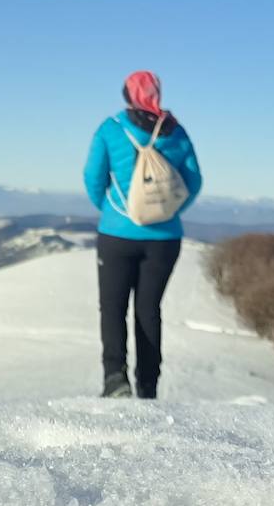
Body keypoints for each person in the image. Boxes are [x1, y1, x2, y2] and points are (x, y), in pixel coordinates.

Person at [83, 70, 203, 399]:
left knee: (113, 308)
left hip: (116, 233)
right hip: (165, 238)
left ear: (128, 94)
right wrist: (168, 212)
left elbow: (93, 179)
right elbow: (194, 182)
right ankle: (148, 386)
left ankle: (114, 379)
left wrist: (113, 210)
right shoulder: (176, 132)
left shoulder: (111, 129)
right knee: (149, 311)